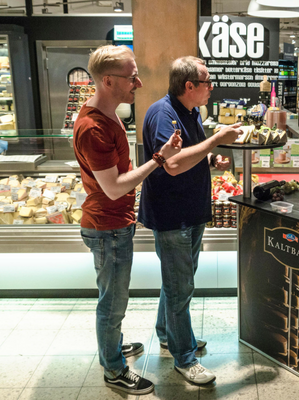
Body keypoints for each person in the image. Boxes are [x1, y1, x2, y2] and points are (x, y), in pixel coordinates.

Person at [73, 45, 182, 396]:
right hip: (106, 227)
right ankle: (114, 369)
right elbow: (115, 187)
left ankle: (113, 347)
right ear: (107, 81)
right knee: (113, 302)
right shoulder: (93, 127)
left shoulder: (109, 113)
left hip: (115, 223)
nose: (136, 82)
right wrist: (160, 159)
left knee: (114, 298)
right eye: (130, 76)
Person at [138, 56, 242, 385]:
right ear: (189, 86)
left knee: (177, 284)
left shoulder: (191, 112)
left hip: (191, 211)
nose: (211, 88)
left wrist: (211, 156)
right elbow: (171, 164)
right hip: (173, 215)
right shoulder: (162, 113)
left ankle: (169, 335)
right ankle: (184, 357)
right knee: (180, 287)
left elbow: (191, 152)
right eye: (207, 82)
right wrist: (215, 140)